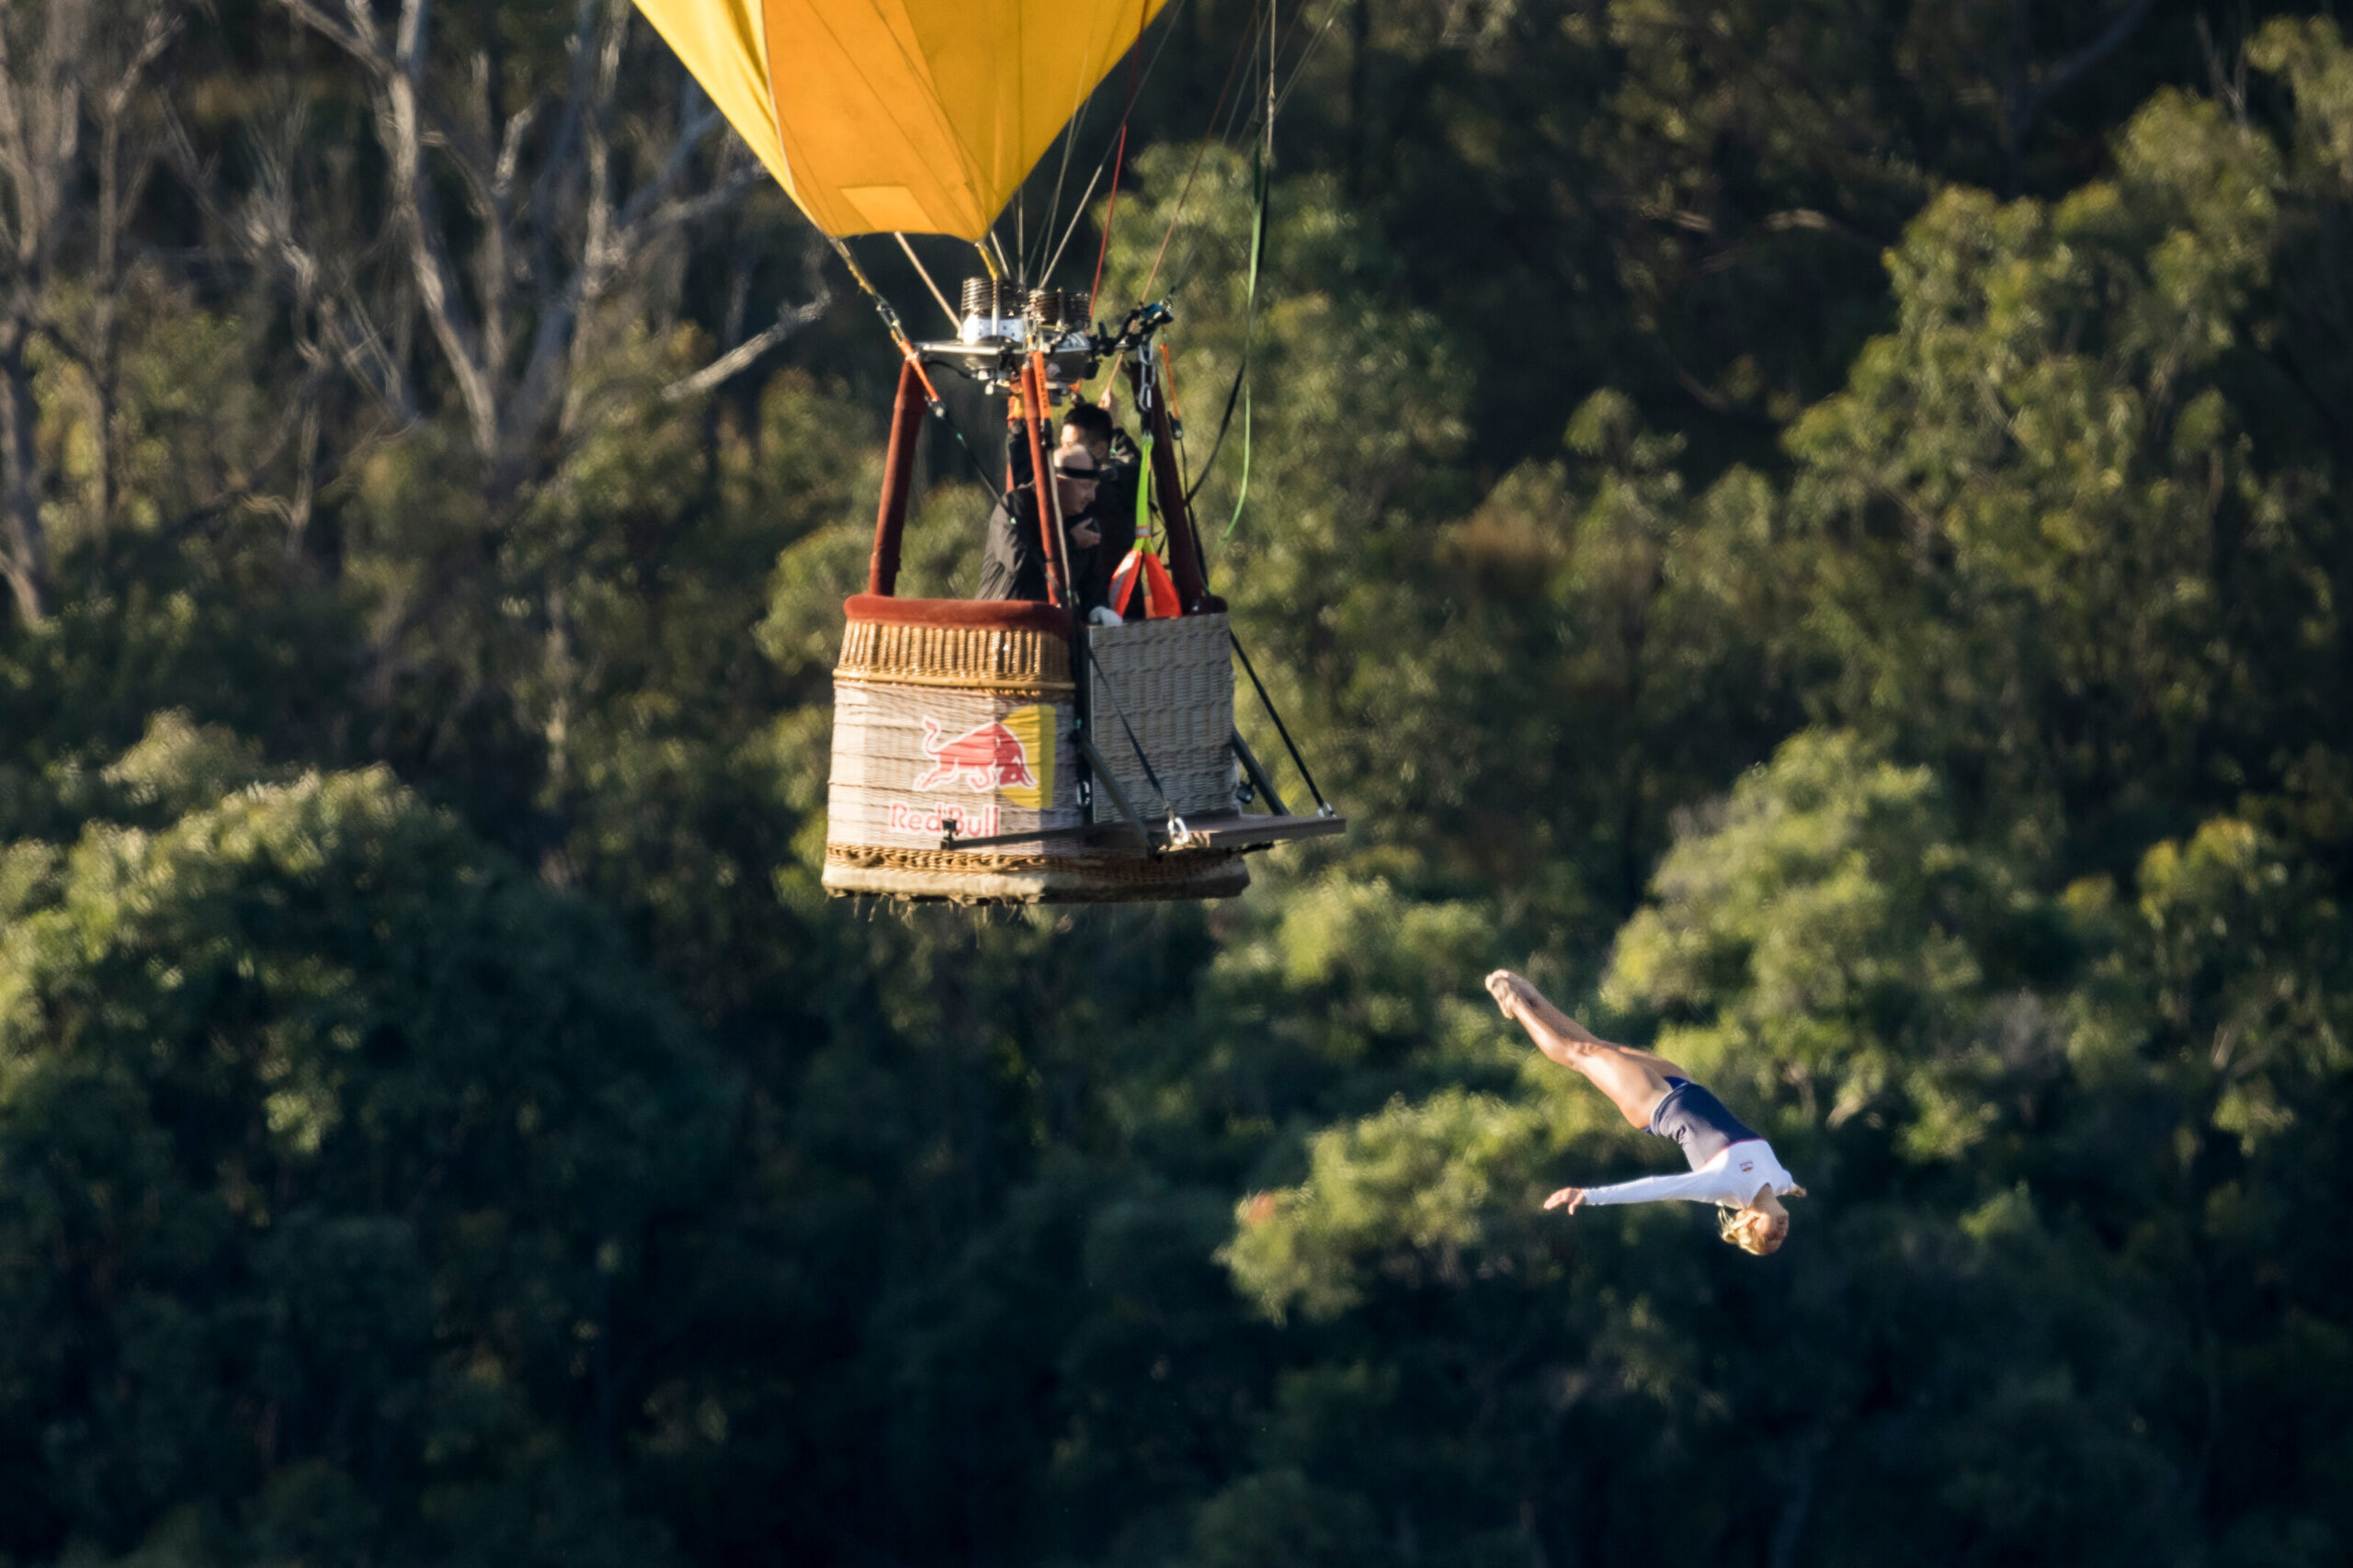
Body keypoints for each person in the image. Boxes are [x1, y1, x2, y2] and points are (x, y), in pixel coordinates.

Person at [1484, 970, 1806, 1255]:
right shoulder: (1780, 1181)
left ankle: (1514, 1003)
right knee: (1598, 1046)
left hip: (1653, 1104)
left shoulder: (1724, 1187)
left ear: (1749, 1221)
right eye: (1780, 1240)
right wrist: (1796, 1189)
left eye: (1769, 1238)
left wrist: (1589, 1195)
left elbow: (1657, 1188)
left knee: (1580, 1054)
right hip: (1683, 1084)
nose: (1780, 1234)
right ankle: (1532, 996)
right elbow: (1789, 1184)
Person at [977, 435, 1106, 611]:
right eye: (1085, 486)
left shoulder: (1079, 520)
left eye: (1094, 487)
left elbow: (1091, 583)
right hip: (1000, 622)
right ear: (1058, 481)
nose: (1092, 497)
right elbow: (1020, 564)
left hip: (1048, 623)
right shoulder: (1014, 506)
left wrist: (1098, 609)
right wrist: (1070, 541)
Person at [1058, 403, 1139, 616]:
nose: (1064, 453)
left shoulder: (1093, 489)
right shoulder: (1124, 479)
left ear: (1101, 449)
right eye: (1062, 445)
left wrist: (1018, 431)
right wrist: (1115, 430)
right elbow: (1132, 461)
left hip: (1100, 608)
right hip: (1117, 605)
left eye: (1071, 446)